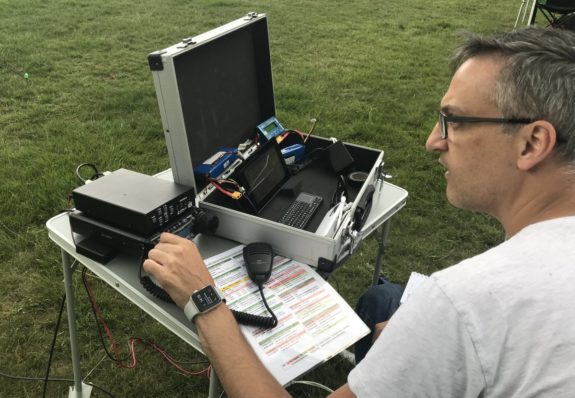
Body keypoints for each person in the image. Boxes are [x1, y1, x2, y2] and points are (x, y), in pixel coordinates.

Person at [144, 26, 575, 397]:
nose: (433, 141)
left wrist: (205, 300)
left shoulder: (462, 304)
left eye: (454, 121)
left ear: (532, 143)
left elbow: (470, 318)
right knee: (382, 300)